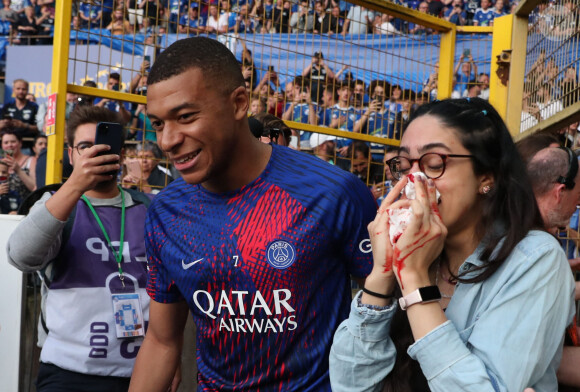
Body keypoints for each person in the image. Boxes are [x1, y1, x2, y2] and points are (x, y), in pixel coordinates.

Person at [129, 37, 377, 392]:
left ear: (239, 103)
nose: (167, 140)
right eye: (157, 124)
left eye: (185, 117)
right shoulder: (166, 212)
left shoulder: (332, 193)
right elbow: (162, 341)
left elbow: (390, 312)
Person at [329, 97, 576, 392]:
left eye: (434, 163)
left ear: (487, 177)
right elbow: (349, 385)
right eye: (405, 165)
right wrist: (382, 275)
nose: (414, 182)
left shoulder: (534, 258)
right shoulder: (414, 254)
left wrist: (414, 281)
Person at [6, 106, 178, 392]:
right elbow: (21, 256)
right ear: (71, 154)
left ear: (120, 155)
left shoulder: (150, 208)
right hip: (68, 373)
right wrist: (75, 185)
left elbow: (170, 288)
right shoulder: (56, 204)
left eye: (104, 147)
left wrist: (170, 358)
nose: (95, 155)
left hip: (142, 372)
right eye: (85, 147)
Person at [1, 130, 36, 205]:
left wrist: (18, 170)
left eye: (13, 141)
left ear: (20, 143)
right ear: (2, 145)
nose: (10, 145)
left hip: (24, 207)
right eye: (6, 142)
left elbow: (34, 187)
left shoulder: (31, 161)